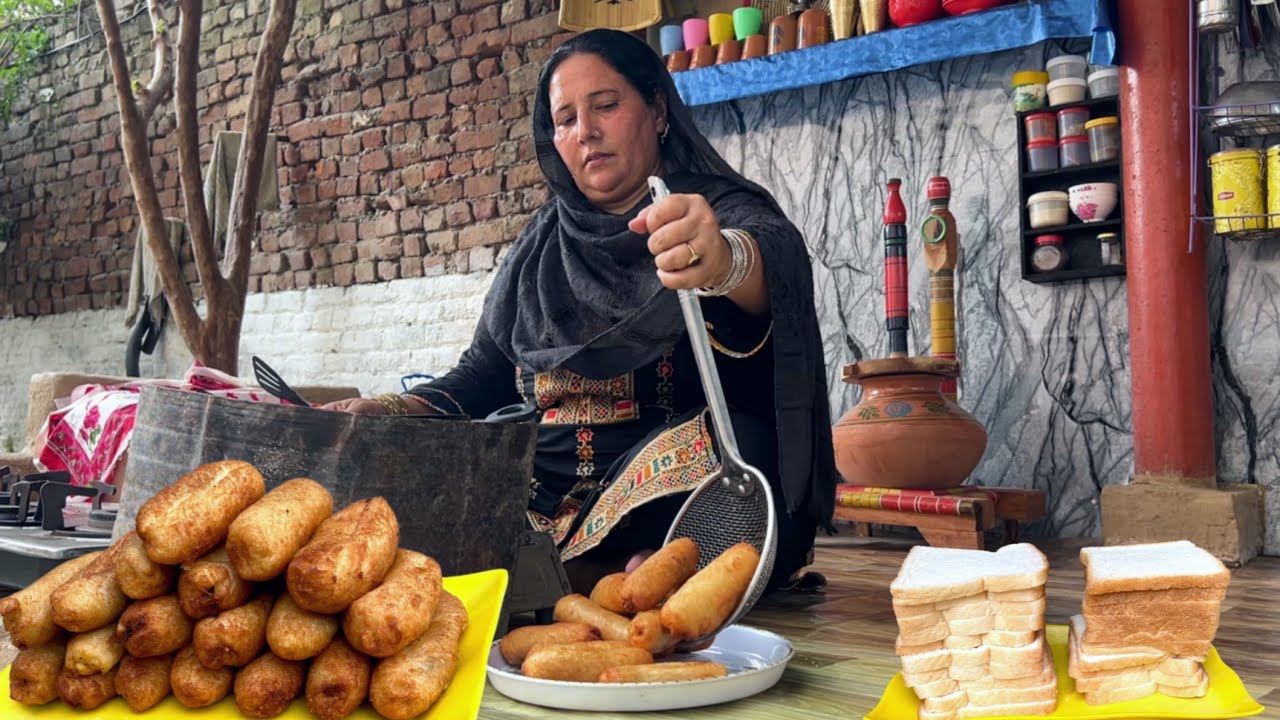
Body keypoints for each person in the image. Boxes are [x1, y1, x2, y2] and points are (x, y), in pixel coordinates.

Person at [326, 28, 835, 594]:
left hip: (663, 493)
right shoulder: (539, 249)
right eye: (565, 119)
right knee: (393, 476)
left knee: (747, 452)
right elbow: (481, 377)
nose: (585, 131)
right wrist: (387, 410)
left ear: (657, 109)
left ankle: (582, 576)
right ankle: (604, 577)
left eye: (606, 106)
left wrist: (721, 262)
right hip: (535, 492)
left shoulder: (708, 211)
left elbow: (769, 255)